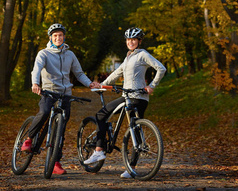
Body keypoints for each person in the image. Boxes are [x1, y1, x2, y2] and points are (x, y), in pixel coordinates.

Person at [83, 27, 166, 178]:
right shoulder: (128, 57)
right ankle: (101, 152)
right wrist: (102, 85)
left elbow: (161, 68)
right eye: (128, 40)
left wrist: (152, 85)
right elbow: (117, 73)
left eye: (134, 39)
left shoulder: (142, 54)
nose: (131, 42)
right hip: (127, 96)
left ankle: (124, 164)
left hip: (138, 97)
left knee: (134, 128)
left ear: (139, 41)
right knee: (106, 116)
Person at [21, 23, 100, 175]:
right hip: (49, 92)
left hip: (65, 95)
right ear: (50, 38)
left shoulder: (70, 55)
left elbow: (79, 73)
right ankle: (29, 139)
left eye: (60, 35)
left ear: (64, 37)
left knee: (60, 130)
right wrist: (35, 84)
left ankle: (55, 162)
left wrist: (90, 83)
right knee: (44, 112)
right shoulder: (43, 54)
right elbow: (36, 69)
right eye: (55, 35)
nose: (58, 38)